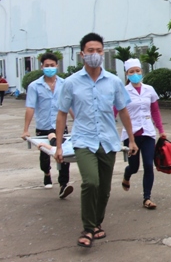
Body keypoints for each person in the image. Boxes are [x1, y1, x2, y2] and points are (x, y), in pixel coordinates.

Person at [54, 33, 138, 248]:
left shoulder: (114, 82)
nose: (95, 55)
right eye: (90, 51)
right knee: (91, 182)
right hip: (83, 140)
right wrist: (59, 146)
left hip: (108, 141)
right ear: (82, 54)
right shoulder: (71, 82)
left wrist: (132, 140)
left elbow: (123, 111)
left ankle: (97, 223)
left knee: (104, 189)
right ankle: (88, 227)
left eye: (99, 51)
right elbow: (62, 113)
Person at [21, 52, 74, 197]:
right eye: (47, 66)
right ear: (42, 67)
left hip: (60, 126)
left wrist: (77, 120)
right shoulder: (35, 86)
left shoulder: (64, 84)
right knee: (45, 157)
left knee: (64, 154)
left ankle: (64, 184)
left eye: (52, 65)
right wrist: (25, 130)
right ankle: (46, 172)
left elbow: (69, 105)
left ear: (57, 66)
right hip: (43, 126)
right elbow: (30, 107)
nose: (49, 68)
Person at [118, 58, 167, 210]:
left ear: (141, 72)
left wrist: (161, 130)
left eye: (137, 71)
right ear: (127, 74)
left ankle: (147, 197)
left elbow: (155, 111)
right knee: (134, 167)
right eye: (131, 72)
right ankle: (127, 175)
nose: (135, 74)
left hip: (147, 133)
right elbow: (115, 110)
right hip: (131, 135)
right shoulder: (123, 91)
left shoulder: (149, 90)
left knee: (148, 165)